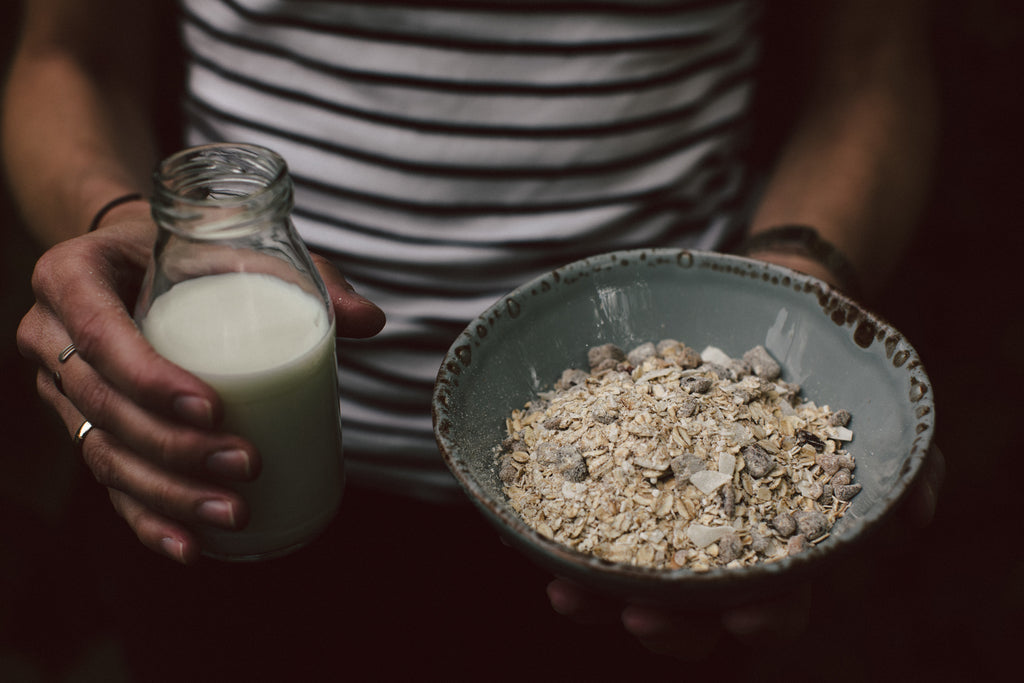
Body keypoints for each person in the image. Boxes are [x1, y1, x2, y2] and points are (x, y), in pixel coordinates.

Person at [5, 0, 941, 677]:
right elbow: (71, 57)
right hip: (231, 487)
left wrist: (790, 300)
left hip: (652, 532)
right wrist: (130, 227)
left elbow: (875, 63)